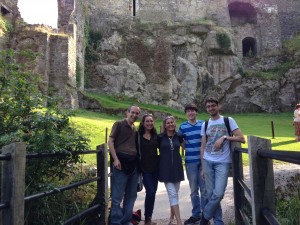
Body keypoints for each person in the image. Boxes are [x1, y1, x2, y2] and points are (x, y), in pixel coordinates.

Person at [200, 97, 245, 225]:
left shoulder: (228, 120)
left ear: (218, 106)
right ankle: (218, 222)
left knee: (218, 193)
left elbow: (242, 138)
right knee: (211, 195)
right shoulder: (205, 124)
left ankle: (204, 217)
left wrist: (225, 137)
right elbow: (203, 146)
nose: (211, 108)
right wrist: (203, 167)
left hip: (222, 162)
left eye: (213, 105)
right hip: (208, 161)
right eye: (208, 106)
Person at [108, 105, 141, 225]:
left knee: (131, 195)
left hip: (133, 164)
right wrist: (115, 159)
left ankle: (126, 220)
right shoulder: (119, 124)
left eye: (137, 113)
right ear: (127, 112)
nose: (134, 115)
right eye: (132, 112)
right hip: (120, 163)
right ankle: (116, 222)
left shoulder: (134, 128)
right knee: (117, 196)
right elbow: (110, 141)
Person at [178, 104, 208, 225]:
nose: (190, 113)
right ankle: (196, 215)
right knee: (194, 190)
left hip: (203, 161)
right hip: (190, 161)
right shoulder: (183, 126)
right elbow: (179, 139)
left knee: (204, 190)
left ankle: (205, 216)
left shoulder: (203, 124)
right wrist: (184, 146)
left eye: (193, 111)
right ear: (186, 113)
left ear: (196, 112)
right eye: (188, 111)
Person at [158, 115, 184, 225]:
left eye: (172, 122)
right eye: (168, 123)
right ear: (165, 125)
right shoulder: (160, 137)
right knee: (173, 194)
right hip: (165, 169)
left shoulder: (179, 136)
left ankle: (171, 219)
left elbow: (188, 147)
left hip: (177, 168)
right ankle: (179, 222)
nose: (170, 124)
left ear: (174, 123)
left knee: (175, 195)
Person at [136, 114, 160, 225]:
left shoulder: (156, 136)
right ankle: (147, 220)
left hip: (155, 168)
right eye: (147, 121)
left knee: (153, 192)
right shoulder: (138, 136)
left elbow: (163, 149)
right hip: (144, 169)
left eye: (151, 121)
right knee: (150, 192)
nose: (150, 123)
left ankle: (148, 218)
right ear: (143, 123)